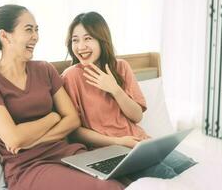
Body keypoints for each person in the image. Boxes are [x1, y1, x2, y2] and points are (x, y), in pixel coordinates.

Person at [0, 5, 124, 190]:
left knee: (126, 179)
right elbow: (13, 139)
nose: (35, 36)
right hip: (29, 167)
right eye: (29, 29)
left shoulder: (45, 69)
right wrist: (53, 117)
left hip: (69, 153)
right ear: (5, 36)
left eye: (37, 30)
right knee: (108, 188)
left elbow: (73, 119)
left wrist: (36, 140)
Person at [62, 11, 197, 180]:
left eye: (88, 38)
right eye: (75, 40)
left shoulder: (121, 67)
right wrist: (119, 142)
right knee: (166, 176)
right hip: (107, 151)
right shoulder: (70, 77)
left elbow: (137, 116)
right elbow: (74, 132)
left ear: (102, 39)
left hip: (141, 144)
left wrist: (115, 90)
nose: (81, 46)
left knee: (191, 169)